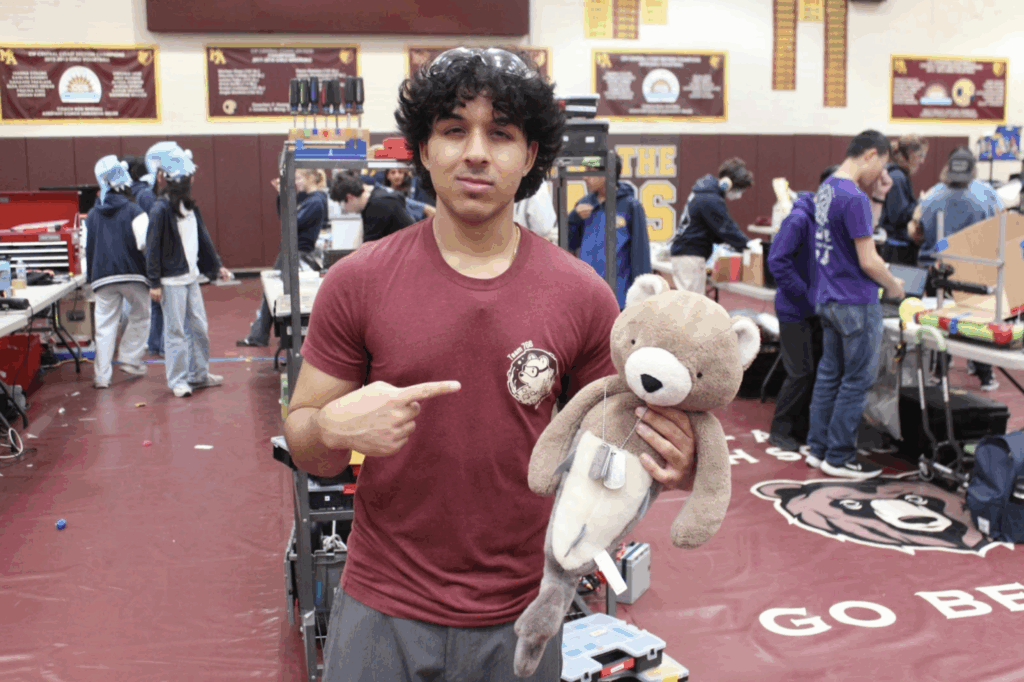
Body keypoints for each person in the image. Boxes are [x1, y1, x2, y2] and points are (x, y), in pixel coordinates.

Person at [283, 47, 696, 682]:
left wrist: (674, 461)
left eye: (500, 134)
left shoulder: (582, 296)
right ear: (424, 149)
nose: (476, 152)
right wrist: (331, 428)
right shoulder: (357, 283)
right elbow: (306, 444)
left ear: (529, 156)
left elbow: (618, 445)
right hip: (383, 604)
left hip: (524, 611)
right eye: (454, 130)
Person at [806, 130, 906, 480]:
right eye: (883, 164)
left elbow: (857, 234)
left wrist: (878, 196)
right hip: (856, 300)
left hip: (829, 296)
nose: (882, 173)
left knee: (829, 376)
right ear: (871, 155)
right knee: (855, 381)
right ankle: (839, 457)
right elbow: (869, 260)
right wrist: (894, 286)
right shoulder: (853, 197)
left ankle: (818, 449)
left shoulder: (827, 189)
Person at [145, 145, 232, 398]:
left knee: (199, 327)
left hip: (191, 277)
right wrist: (154, 282)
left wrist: (216, 266)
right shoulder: (160, 209)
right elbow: (152, 247)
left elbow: (203, 239)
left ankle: (199, 374)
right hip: (171, 281)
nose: (193, 179)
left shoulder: (191, 208)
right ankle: (178, 380)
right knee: (176, 332)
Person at [917, 146, 1004, 391]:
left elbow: (917, 230)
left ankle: (939, 371)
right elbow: (1001, 222)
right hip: (975, 269)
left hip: (938, 269)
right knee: (977, 322)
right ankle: (984, 374)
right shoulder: (986, 193)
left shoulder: (932, 195)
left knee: (941, 320)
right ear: (974, 169)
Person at [765, 165, 834, 451]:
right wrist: (806, 296)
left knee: (813, 371)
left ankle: (801, 428)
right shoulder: (798, 220)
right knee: (800, 372)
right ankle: (780, 429)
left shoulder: (825, 220)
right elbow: (777, 261)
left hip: (815, 309)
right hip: (795, 310)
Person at [237, 169, 329, 348]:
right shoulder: (309, 199)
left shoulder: (315, 201)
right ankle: (261, 333)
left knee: (273, 292)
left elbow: (290, 223)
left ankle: (260, 334)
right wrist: (282, 196)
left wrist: (284, 196)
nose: (297, 182)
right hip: (293, 251)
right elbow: (286, 218)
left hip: (298, 252)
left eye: (299, 178)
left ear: (311, 178)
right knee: (272, 292)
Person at [85, 155, 151, 390]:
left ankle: (102, 377)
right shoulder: (135, 211)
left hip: (102, 277)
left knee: (104, 328)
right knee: (141, 315)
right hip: (133, 274)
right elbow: (145, 245)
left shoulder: (91, 215)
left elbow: (88, 248)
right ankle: (130, 358)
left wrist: (89, 279)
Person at [566, 155, 650, 309]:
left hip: (618, 296)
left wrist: (642, 295)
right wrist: (573, 218)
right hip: (587, 293)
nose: (585, 177)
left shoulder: (631, 206)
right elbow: (568, 245)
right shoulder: (583, 205)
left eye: (590, 171)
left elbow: (640, 253)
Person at [669, 158, 760, 294]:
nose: (739, 195)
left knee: (691, 303)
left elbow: (717, 229)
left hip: (686, 255)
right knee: (692, 305)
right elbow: (726, 229)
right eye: (739, 189)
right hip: (689, 257)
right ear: (728, 184)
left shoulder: (705, 192)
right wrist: (748, 245)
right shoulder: (710, 199)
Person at [141, 141, 181, 356]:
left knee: (157, 307)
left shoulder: (152, 197)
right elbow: (154, 240)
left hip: (157, 262)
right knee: (165, 307)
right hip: (160, 263)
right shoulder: (153, 201)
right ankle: (164, 346)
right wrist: (154, 279)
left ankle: (156, 343)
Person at [878, 134, 928, 265]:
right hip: (898, 251)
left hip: (898, 249)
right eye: (921, 155)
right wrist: (921, 203)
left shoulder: (899, 175)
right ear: (910, 154)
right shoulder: (897, 177)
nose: (922, 161)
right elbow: (898, 216)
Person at [329, 170, 415, 243]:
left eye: (342, 204)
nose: (345, 210)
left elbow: (369, 250)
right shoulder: (375, 196)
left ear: (349, 197)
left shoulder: (378, 206)